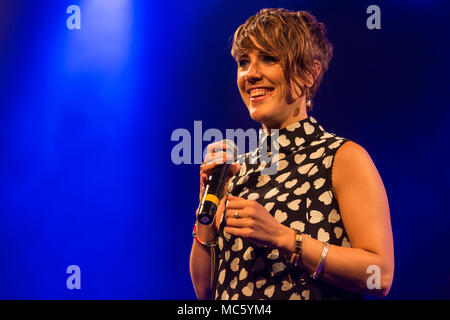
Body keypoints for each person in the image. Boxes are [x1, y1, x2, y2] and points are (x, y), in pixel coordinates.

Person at [189, 8, 394, 300]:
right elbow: (204, 289)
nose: (251, 74)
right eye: (243, 62)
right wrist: (206, 210)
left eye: (269, 59)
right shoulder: (236, 172)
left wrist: (284, 238)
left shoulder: (342, 158)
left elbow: (380, 275)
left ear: (309, 73)